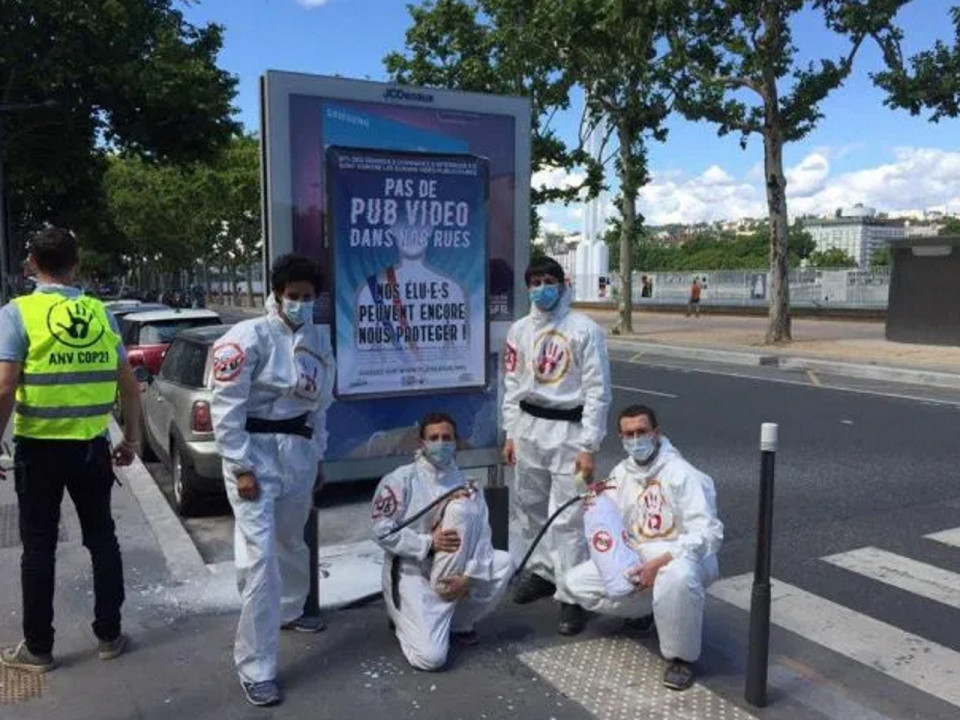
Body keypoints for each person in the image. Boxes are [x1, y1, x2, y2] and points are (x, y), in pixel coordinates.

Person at [0, 227, 141, 673]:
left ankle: (39, 649)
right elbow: (131, 387)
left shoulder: (17, 314)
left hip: (39, 451)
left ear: (31, 265)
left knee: (38, 548)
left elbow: (5, 387)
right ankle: (110, 634)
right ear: (76, 264)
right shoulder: (102, 314)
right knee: (102, 539)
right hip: (91, 449)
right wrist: (131, 440)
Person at [210, 253, 335, 707]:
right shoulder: (247, 337)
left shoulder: (317, 340)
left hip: (297, 454)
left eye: (308, 297)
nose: (301, 303)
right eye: (294, 296)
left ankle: (291, 609)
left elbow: (321, 404)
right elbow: (225, 408)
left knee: (290, 542)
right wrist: (241, 467)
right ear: (278, 294)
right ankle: (257, 666)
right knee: (261, 561)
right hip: (255, 458)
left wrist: (317, 456)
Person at [566, 404, 723, 691]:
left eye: (642, 431)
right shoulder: (621, 473)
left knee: (675, 579)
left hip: (684, 556)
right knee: (576, 583)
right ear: (621, 437)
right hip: (642, 555)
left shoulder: (683, 474)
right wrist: (589, 494)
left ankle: (680, 658)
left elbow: (709, 533)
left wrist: (660, 562)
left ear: (656, 432)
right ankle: (645, 613)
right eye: (629, 434)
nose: (636, 440)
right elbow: (608, 521)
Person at [502, 257, 612, 635]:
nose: (541, 288)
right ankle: (543, 572)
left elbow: (598, 391)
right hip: (530, 427)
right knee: (530, 507)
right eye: (535, 282)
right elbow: (513, 386)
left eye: (549, 281)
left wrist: (590, 445)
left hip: (569, 431)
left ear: (562, 285)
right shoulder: (519, 330)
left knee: (568, 516)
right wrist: (510, 432)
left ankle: (571, 595)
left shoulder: (584, 330)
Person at [370, 412, 513, 671]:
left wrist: (468, 578)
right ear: (421, 444)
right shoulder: (400, 480)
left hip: (453, 572)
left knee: (503, 562)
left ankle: (458, 623)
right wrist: (428, 542)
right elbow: (382, 532)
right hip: (412, 572)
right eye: (433, 438)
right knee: (431, 659)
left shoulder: (467, 484)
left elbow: (482, 537)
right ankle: (402, 619)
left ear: (456, 442)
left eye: (446, 438)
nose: (441, 443)